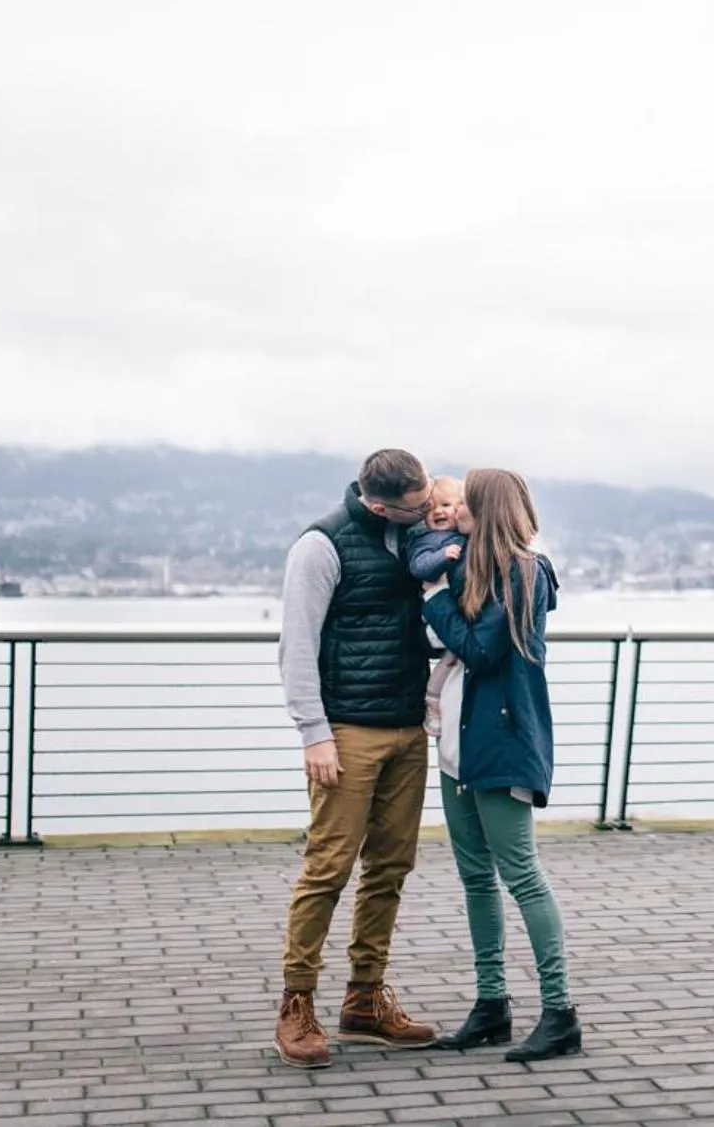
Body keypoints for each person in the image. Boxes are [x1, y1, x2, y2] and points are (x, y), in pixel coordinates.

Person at [273, 449, 442, 1068]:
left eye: (429, 500)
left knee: (391, 867)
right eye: (417, 506)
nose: (428, 512)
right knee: (328, 868)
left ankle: (365, 1000)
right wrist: (313, 732)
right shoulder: (321, 547)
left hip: (406, 727)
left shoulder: (418, 536)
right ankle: (296, 1003)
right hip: (345, 732)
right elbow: (297, 644)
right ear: (377, 504)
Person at [420, 467, 583, 1062]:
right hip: (458, 746)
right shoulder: (470, 567)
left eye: (467, 499)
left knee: (521, 874)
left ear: (488, 508)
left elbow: (482, 649)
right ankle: (491, 1004)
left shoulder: (524, 571)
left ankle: (560, 1011)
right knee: (475, 878)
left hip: (504, 744)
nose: (455, 506)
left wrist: (435, 599)